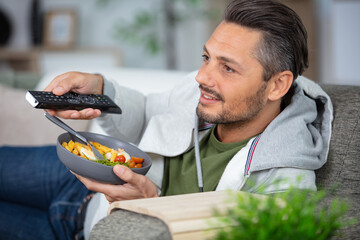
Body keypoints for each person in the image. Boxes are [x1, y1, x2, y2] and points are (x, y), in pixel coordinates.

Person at [0, 0, 333, 239]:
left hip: (79, 227)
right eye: (206, 57)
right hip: (71, 174)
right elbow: (148, 114)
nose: (202, 76)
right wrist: (102, 88)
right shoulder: (206, 92)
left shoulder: (284, 186)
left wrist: (150, 207)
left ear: (277, 85)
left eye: (227, 67)